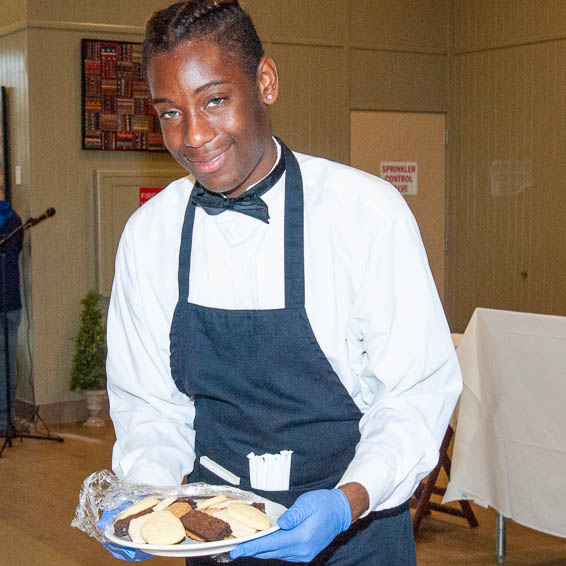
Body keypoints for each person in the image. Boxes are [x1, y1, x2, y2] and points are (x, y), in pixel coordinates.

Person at [104, 0, 462, 564]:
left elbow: (415, 392)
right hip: (214, 533)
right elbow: (150, 405)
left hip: (356, 529)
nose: (194, 136)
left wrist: (350, 499)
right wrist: (148, 504)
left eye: (214, 100)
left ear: (265, 81)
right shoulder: (150, 234)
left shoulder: (365, 214)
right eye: (169, 112)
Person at [0, 199, 23, 434]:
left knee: (5, 365)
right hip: (12, 303)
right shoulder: (14, 220)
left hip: (7, 303)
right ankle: (6, 419)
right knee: (6, 365)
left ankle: (4, 420)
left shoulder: (13, 222)